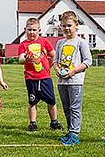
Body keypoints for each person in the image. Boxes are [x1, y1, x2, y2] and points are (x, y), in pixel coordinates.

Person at [52, 11, 92, 146]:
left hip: (75, 82)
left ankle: (74, 134)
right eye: (64, 26)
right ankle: (70, 131)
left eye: (69, 25)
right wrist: (57, 69)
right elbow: (55, 61)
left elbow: (88, 61)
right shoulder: (60, 43)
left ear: (76, 25)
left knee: (75, 108)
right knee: (66, 107)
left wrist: (73, 71)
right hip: (62, 82)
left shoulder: (81, 42)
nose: (66, 28)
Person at [18, 18, 63, 132]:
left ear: (39, 30)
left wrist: (49, 65)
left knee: (51, 100)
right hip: (31, 77)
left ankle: (54, 122)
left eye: (34, 30)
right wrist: (27, 59)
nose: (31, 32)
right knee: (32, 101)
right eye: (29, 30)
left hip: (45, 77)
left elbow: (54, 55)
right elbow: (20, 59)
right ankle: (33, 123)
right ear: (25, 30)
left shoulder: (44, 42)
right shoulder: (23, 44)